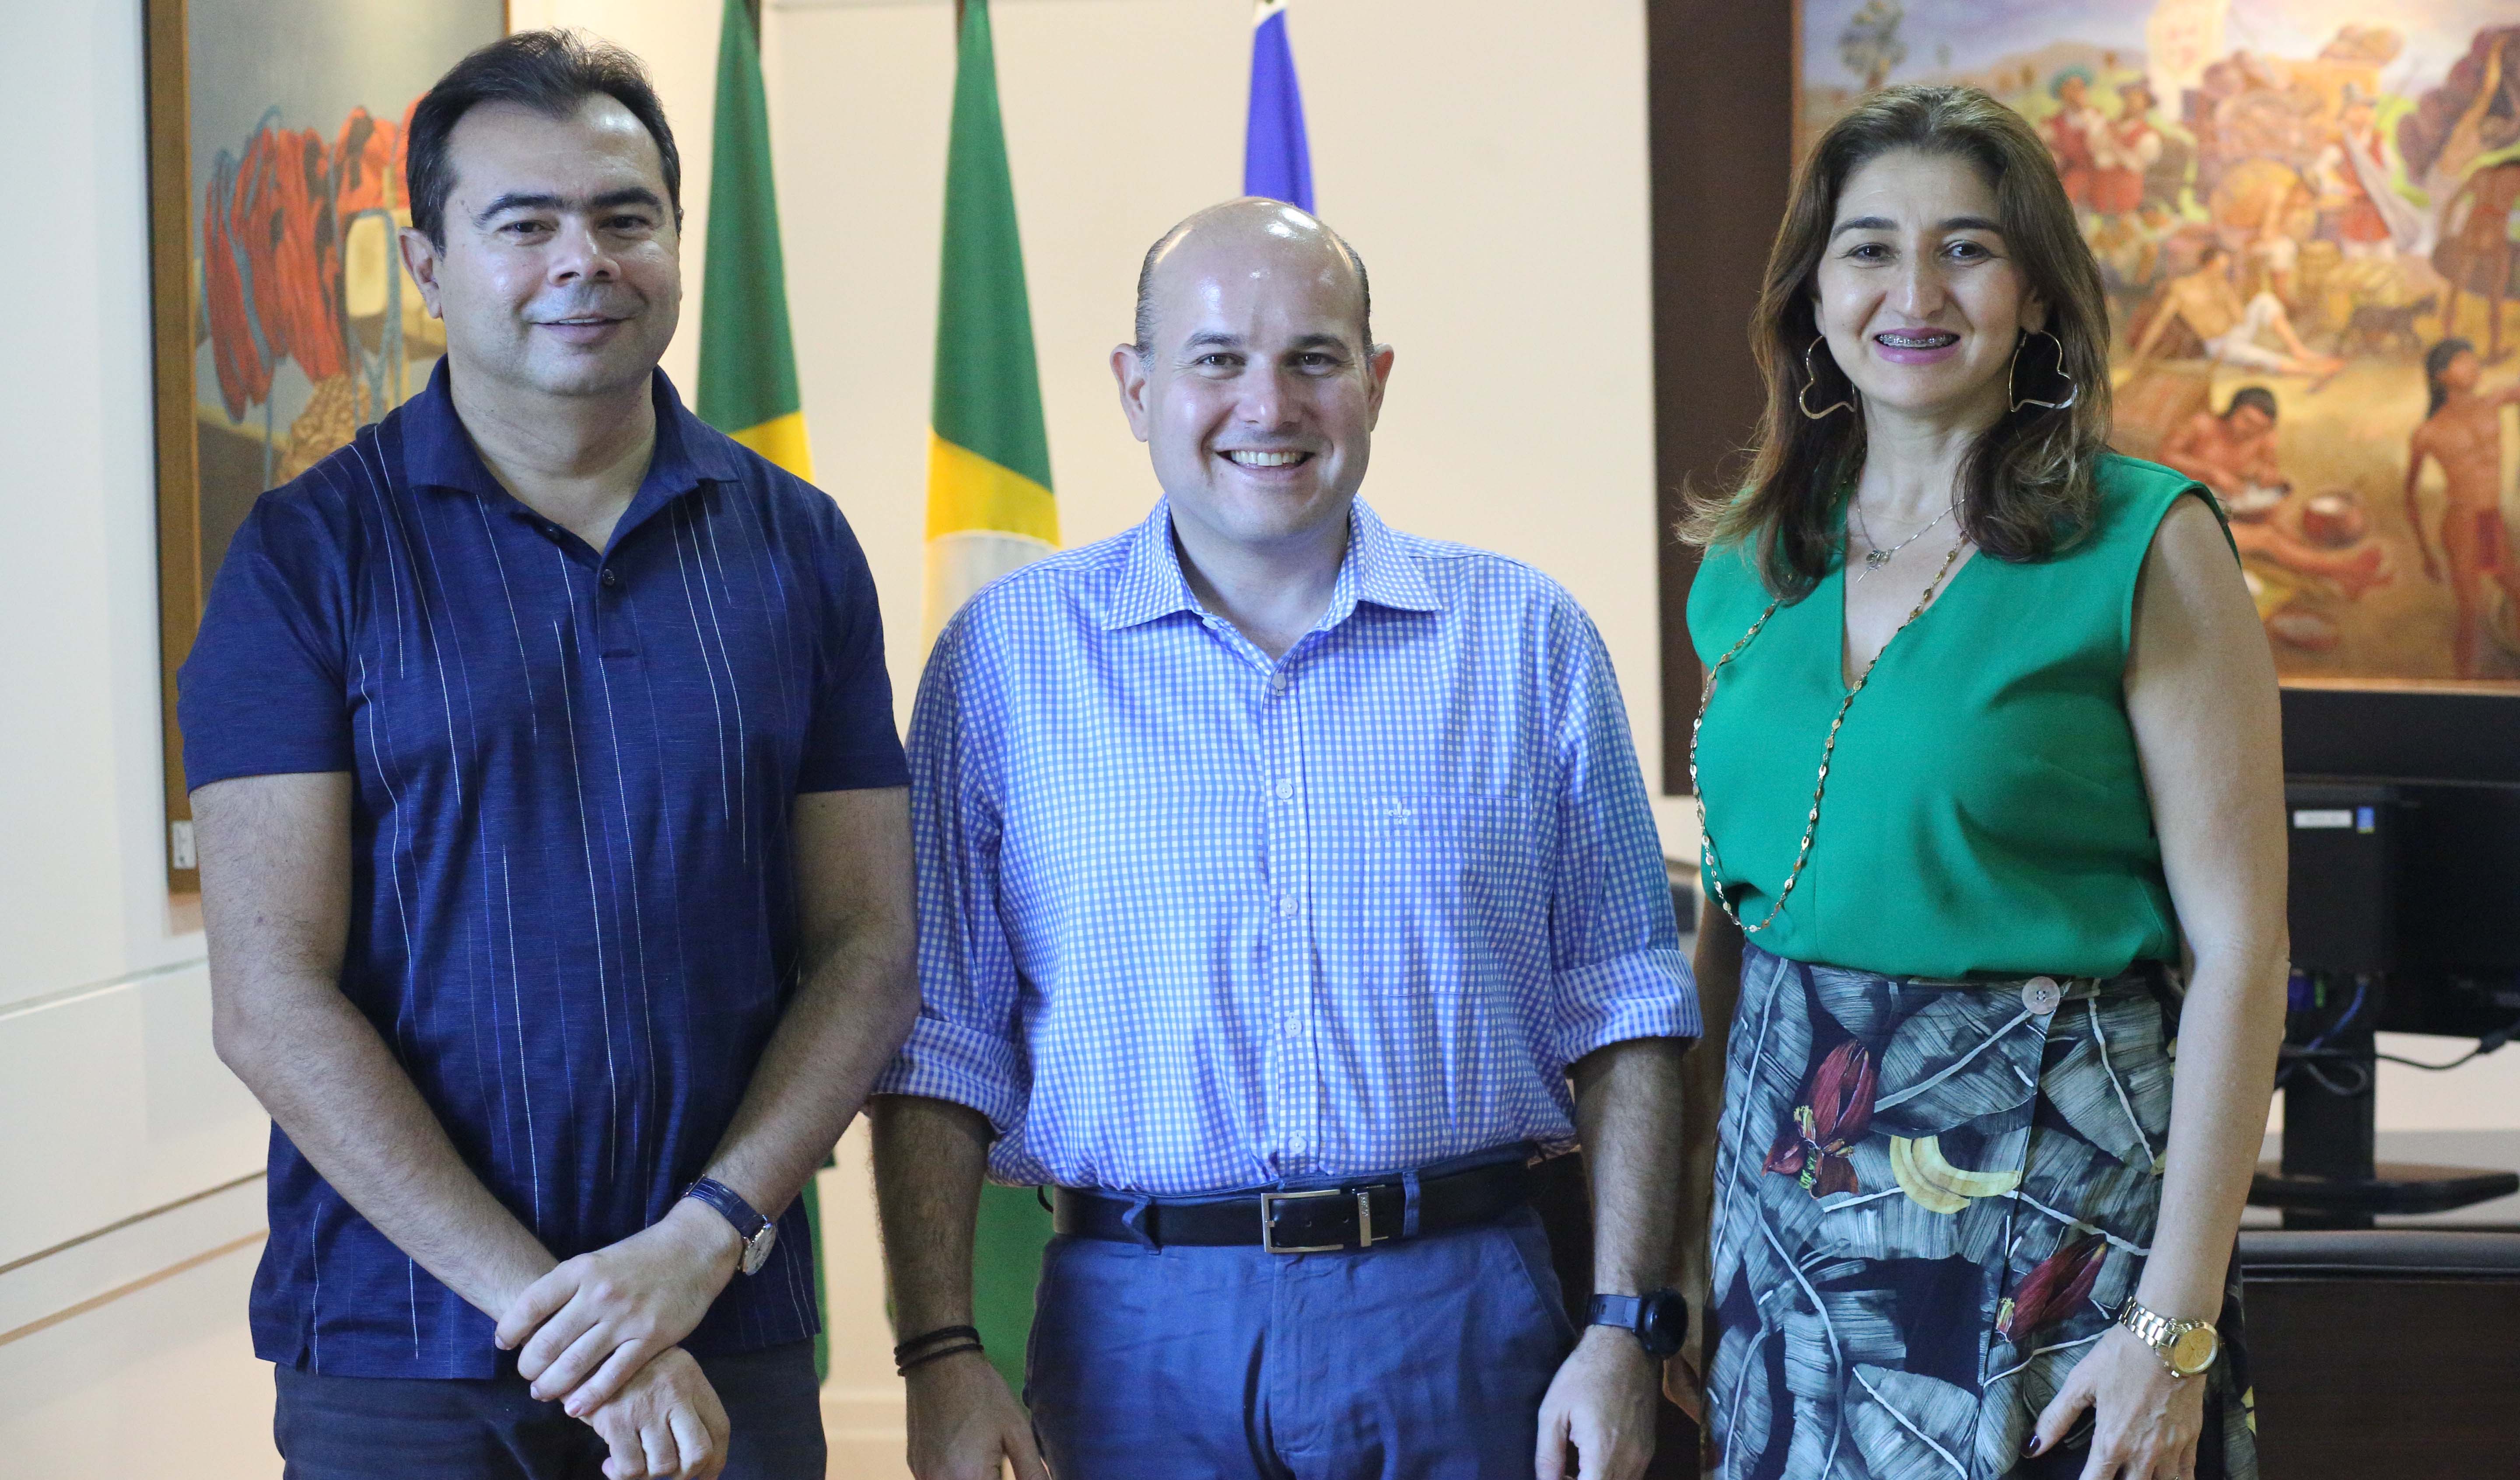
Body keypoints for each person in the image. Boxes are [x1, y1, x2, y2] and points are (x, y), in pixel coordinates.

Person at [180, 31, 919, 1480]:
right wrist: (565, 1316)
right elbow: (269, 996)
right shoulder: (305, 558)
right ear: (431, 265)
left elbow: (869, 946)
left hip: (729, 1316)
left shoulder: (799, 547)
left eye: (624, 216)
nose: (584, 258)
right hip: (406, 1353)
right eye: (523, 223)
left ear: (674, 245)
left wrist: (701, 1241)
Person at [868, 198, 1698, 1480]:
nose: (1269, 404)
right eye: (1216, 360)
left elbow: (1629, 1007)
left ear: (1373, 384)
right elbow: (940, 1040)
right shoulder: (1004, 662)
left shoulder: (1526, 643)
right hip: (1135, 1327)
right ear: (1136, 390)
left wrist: (1630, 1329)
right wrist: (936, 1353)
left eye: (1314, 358)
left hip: (1469, 1313)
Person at [1676, 85, 2282, 1479]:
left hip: (2064, 1214)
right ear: (1813, 293)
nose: (1914, 289)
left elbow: (2245, 952)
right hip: (1793, 1228)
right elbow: (1737, 910)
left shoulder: (2147, 540)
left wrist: (2175, 1326)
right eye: (1870, 246)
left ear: (2036, 296)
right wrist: (1686, 1249)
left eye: (1966, 247)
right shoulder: (1751, 559)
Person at [2158, 389, 2387, 600]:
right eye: (2246, 419)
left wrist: (2269, 477)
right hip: (2185, 512)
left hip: (2227, 508)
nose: (2249, 430)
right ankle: (2344, 569)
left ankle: (2341, 580)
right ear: (2232, 410)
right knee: (2267, 538)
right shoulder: (2202, 425)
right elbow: (2166, 456)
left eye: (2260, 427)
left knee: (2282, 529)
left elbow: (2269, 473)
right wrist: (2214, 473)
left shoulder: (2263, 438)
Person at [2404, 338, 2520, 677]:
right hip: (2463, 523)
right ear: (2441, 375)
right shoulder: (2428, 432)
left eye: (2474, 359)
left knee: (2515, 589)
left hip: (2492, 519)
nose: (2473, 366)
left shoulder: (2494, 401)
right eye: (2463, 361)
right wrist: (2426, 553)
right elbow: (2409, 497)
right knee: (2472, 614)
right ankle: (2462, 688)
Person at [2130, 242, 2342, 382]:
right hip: (2219, 345)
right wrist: (2139, 358)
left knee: (2264, 299)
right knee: (2264, 357)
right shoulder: (2181, 288)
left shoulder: (2221, 285)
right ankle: (2313, 371)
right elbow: (2160, 322)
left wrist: (2229, 293)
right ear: (2209, 264)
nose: (2223, 271)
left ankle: (2299, 351)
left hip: (2236, 332)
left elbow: (2239, 318)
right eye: (2221, 266)